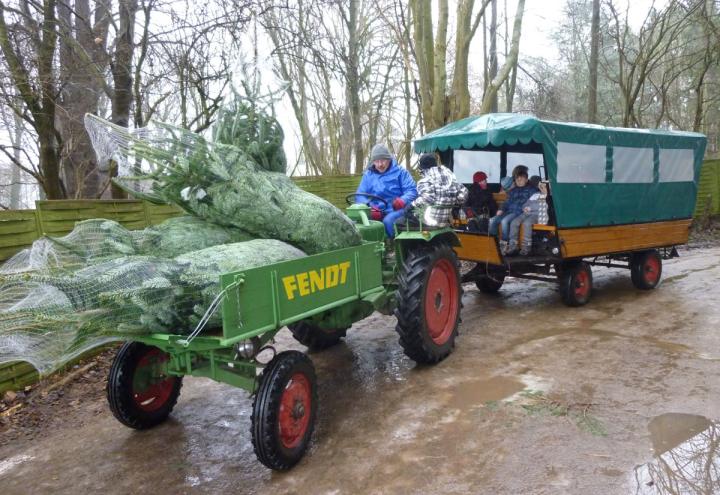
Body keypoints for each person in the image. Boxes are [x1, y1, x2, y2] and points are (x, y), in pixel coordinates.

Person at [356, 144, 417, 238]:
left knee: (388, 221)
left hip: (398, 209)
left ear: (389, 159)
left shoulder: (401, 172)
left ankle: (394, 246)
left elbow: (412, 191)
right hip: (376, 211)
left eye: (383, 160)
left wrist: (402, 200)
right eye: (377, 161)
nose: (380, 164)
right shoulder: (368, 175)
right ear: (373, 162)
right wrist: (370, 207)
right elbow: (360, 195)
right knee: (358, 222)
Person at [403, 153, 468, 228]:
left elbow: (427, 198)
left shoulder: (425, 181)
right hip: (446, 220)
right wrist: (452, 202)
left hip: (429, 221)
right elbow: (463, 194)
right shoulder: (451, 178)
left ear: (423, 167)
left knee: (400, 221)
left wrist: (411, 205)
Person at [488, 165, 538, 249]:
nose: (519, 181)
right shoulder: (513, 191)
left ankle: (504, 243)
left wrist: (529, 208)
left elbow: (534, 202)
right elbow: (507, 202)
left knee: (504, 221)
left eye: (521, 179)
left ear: (526, 180)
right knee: (492, 220)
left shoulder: (531, 190)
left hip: (518, 212)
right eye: (517, 179)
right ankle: (493, 242)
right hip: (508, 211)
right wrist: (501, 209)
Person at [505, 176, 549, 256]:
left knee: (527, 223)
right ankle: (513, 246)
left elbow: (543, 206)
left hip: (537, 214)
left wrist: (530, 208)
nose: (541, 188)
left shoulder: (546, 195)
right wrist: (524, 207)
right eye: (540, 186)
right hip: (526, 213)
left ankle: (526, 247)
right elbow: (526, 203)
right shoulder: (535, 194)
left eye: (542, 186)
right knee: (514, 222)